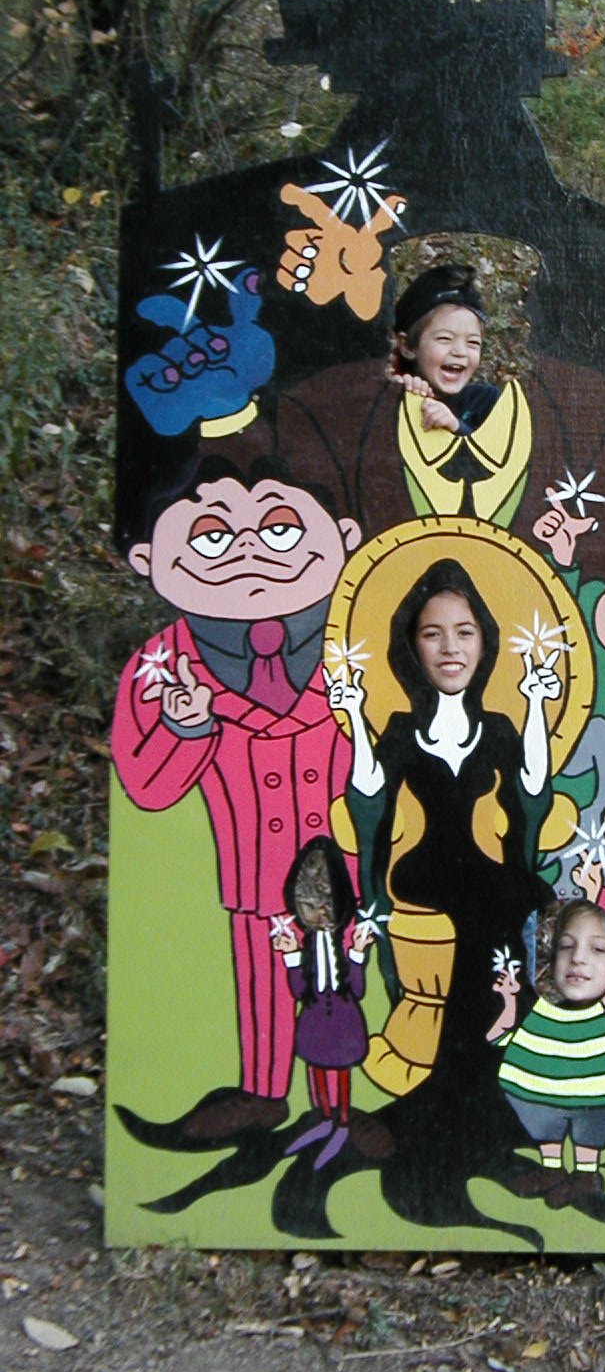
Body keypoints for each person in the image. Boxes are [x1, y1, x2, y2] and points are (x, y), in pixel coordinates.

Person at [111, 458, 362, 1142]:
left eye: (280, 530)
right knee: (264, 984)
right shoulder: (163, 667)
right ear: (148, 559)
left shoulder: (360, 640)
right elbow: (146, 787)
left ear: (343, 538)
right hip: (252, 871)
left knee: (350, 982)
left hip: (354, 866)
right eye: (211, 538)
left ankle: (342, 1106)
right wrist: (186, 729)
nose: (248, 550)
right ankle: (261, 1094)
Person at [326, 558, 561, 1096]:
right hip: (424, 868)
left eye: (464, 633)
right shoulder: (401, 729)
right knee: (491, 904)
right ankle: (469, 1068)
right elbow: (369, 794)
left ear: (484, 644)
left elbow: (532, 789)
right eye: (432, 634)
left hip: (480, 869)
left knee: (523, 895)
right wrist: (356, 716)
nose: (450, 648)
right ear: (412, 647)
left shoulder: (497, 728)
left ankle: (506, 1053)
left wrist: (535, 703)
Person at [487, 900, 605, 1207]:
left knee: (589, 1129)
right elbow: (497, 1037)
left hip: (598, 1099)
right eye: (566, 946)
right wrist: (509, 1001)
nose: (578, 959)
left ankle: (586, 1174)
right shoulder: (540, 1010)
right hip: (535, 1096)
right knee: (544, 1122)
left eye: (597, 949)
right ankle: (551, 1168)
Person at [271, 837, 375, 1170]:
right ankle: (323, 1117)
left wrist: (357, 952)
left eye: (325, 903)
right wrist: (290, 955)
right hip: (315, 1019)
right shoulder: (307, 947)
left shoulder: (339, 944)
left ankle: (342, 1122)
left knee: (341, 1071)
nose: (318, 911)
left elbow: (356, 988)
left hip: (343, 1020)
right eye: (309, 904)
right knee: (315, 1068)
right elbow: (299, 989)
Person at [388, 262, 499, 435]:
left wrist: (456, 427)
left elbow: (500, 450)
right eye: (444, 339)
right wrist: (391, 402)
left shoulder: (487, 403)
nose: (460, 352)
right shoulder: (391, 396)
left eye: (473, 342)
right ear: (407, 346)